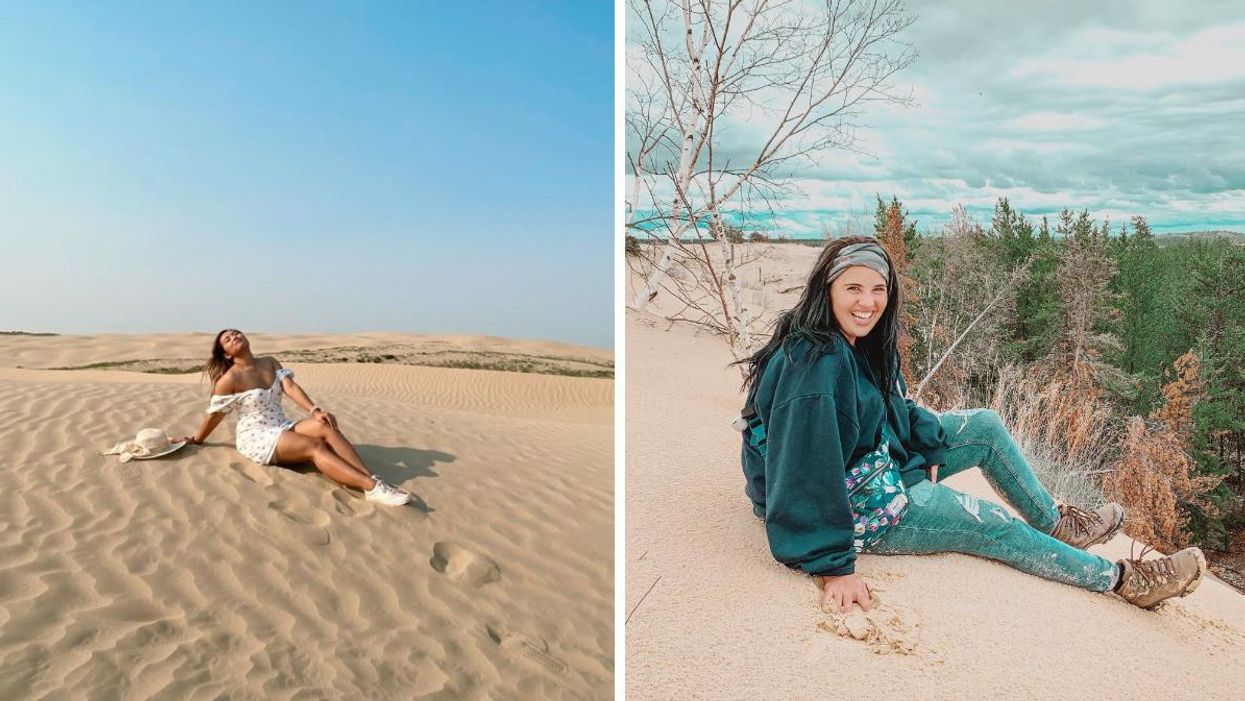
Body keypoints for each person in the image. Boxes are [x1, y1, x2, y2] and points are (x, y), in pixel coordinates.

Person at [737, 236, 1206, 612]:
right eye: (853, 288)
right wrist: (833, 565)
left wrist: (926, 446)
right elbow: (803, 466)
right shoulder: (814, 364)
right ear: (827, 290)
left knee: (982, 425)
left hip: (871, 462)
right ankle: (1124, 580)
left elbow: (888, 404)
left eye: (878, 288)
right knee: (995, 525)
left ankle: (1058, 524)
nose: (868, 302)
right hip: (853, 505)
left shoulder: (858, 342)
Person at [172, 329, 411, 506]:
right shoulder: (229, 380)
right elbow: (214, 415)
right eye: (228, 339)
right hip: (257, 437)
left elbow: (290, 387)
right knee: (315, 446)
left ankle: (371, 479)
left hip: (282, 425)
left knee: (324, 427)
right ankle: (369, 487)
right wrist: (196, 439)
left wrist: (314, 410)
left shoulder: (269, 362)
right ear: (225, 354)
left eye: (236, 333)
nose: (235, 337)